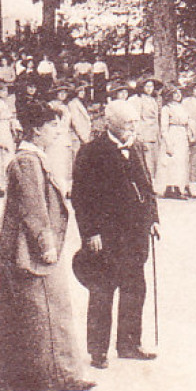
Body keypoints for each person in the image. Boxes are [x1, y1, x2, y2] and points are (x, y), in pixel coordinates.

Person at [0, 97, 96, 391]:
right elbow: (33, 208)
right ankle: (57, 375)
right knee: (47, 310)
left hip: (25, 247)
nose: (57, 132)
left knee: (35, 312)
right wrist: (45, 243)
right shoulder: (27, 161)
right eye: (52, 127)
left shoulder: (33, 159)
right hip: (30, 249)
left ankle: (34, 376)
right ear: (36, 130)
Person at [71, 100, 161, 368]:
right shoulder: (91, 151)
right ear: (111, 124)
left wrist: (153, 219)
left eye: (134, 123)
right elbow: (81, 197)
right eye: (127, 124)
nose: (133, 127)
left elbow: (147, 185)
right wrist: (90, 232)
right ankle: (98, 351)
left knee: (135, 288)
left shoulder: (135, 146)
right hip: (106, 235)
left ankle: (129, 344)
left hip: (135, 234)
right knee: (103, 291)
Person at [156, 85, 192, 199]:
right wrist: (167, 142)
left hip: (182, 134)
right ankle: (169, 188)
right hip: (172, 133)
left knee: (181, 162)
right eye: (175, 93)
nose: (178, 95)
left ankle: (178, 187)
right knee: (171, 162)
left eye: (179, 93)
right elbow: (164, 127)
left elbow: (187, 121)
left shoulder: (183, 107)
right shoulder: (167, 108)